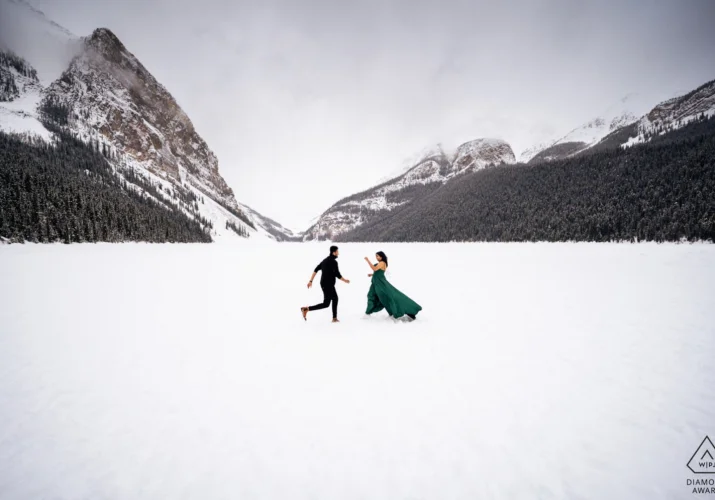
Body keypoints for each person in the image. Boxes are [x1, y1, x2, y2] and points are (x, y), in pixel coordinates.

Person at [364, 251, 422, 320]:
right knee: (371, 295)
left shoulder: (382, 263)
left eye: (378, 256)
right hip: (375, 283)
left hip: (381, 284)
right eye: (376, 256)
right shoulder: (380, 263)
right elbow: (378, 272)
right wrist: (372, 274)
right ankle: (368, 312)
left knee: (390, 296)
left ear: (382, 256)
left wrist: (368, 260)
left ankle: (408, 310)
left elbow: (375, 268)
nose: (377, 257)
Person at [301, 245, 350, 323]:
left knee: (335, 299)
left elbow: (316, 270)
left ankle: (334, 318)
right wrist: (345, 280)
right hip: (328, 285)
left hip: (326, 284)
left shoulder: (325, 260)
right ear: (333, 252)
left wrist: (311, 281)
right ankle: (306, 309)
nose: (338, 253)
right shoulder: (334, 262)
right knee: (326, 304)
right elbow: (337, 274)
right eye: (337, 251)